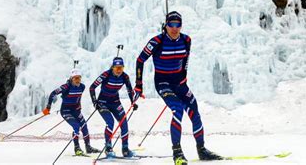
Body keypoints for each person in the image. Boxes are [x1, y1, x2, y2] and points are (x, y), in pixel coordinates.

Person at [134, 11, 222, 165]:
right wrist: (139, 85)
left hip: (180, 83)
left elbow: (186, 59)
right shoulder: (157, 41)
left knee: (194, 110)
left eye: (178, 25)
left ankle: (202, 150)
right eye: (171, 24)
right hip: (162, 83)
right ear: (166, 26)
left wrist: (184, 75)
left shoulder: (186, 40)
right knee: (177, 109)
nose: (174, 28)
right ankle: (177, 153)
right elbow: (140, 60)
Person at [43, 69, 98, 156]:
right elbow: (52, 93)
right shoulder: (65, 87)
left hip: (75, 110)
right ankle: (77, 148)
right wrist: (48, 107)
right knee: (76, 126)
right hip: (66, 111)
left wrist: (79, 106)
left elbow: (78, 97)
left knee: (84, 125)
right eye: (75, 78)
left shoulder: (82, 87)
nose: (78, 80)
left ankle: (88, 147)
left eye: (79, 78)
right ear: (71, 78)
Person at [90, 57, 137, 158]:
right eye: (116, 68)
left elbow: (130, 90)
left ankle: (125, 149)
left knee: (124, 122)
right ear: (112, 67)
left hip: (115, 102)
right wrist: (95, 102)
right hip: (102, 103)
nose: (119, 70)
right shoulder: (106, 74)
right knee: (110, 122)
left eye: (121, 68)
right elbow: (92, 87)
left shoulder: (125, 77)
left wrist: (133, 102)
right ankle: (108, 148)